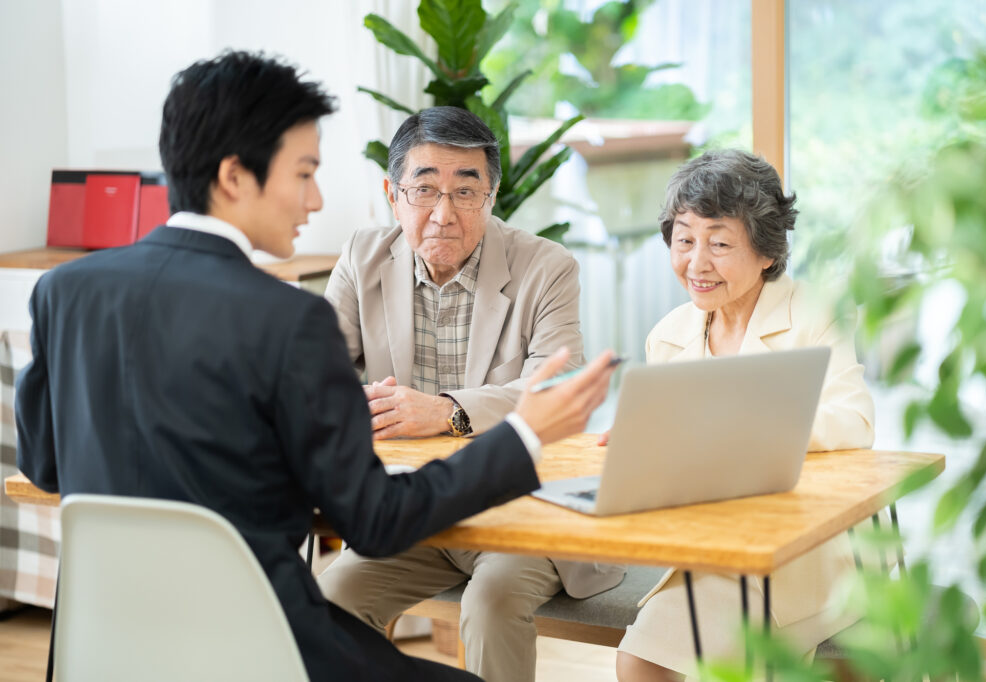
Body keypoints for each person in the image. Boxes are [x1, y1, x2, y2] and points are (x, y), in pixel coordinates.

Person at [15, 51, 616, 682]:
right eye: (303, 173)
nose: (316, 199)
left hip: (108, 645)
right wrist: (524, 434)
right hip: (262, 647)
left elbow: (43, 465)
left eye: (466, 191)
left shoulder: (64, 291)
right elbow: (377, 520)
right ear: (234, 176)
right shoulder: (285, 317)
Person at [316, 105, 625, 682]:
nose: (444, 214)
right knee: (332, 599)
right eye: (424, 190)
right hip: (415, 509)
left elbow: (556, 390)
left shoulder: (546, 267)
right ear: (392, 194)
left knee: (491, 602)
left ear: (491, 195)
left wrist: (447, 412)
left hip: (522, 512)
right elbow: (317, 378)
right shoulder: (363, 257)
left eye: (465, 191)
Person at [613, 149, 876, 681]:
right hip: (709, 552)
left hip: (801, 556)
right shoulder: (668, 335)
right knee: (638, 664)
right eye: (684, 240)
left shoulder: (815, 315)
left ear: (766, 252)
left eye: (719, 243)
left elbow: (856, 422)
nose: (697, 263)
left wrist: (742, 429)